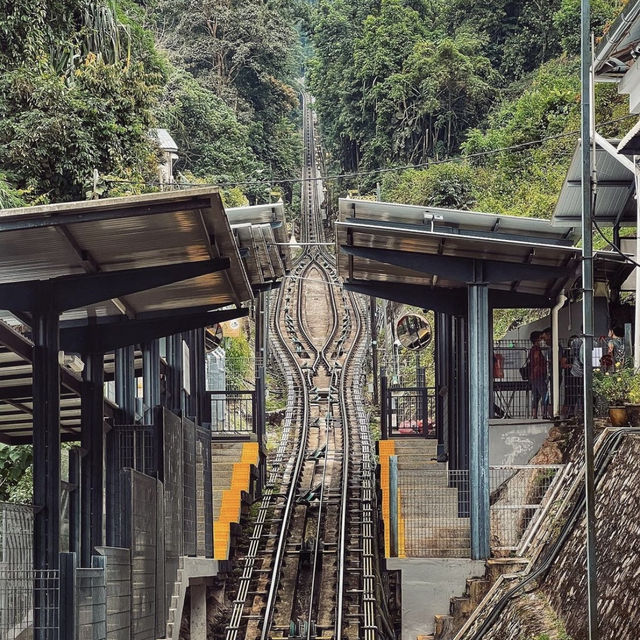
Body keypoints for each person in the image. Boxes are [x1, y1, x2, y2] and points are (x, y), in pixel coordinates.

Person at [528, 331, 548, 419]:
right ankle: (544, 414)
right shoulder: (536, 349)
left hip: (533, 376)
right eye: (540, 338)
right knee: (545, 394)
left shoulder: (532, 349)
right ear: (537, 340)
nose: (542, 340)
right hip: (539, 375)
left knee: (535, 396)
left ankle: (534, 415)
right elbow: (536, 360)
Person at [568, 334, 584, 418]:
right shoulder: (593, 342)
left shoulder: (575, 342)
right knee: (583, 394)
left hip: (575, 371)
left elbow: (571, 353)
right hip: (586, 372)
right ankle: (583, 412)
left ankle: (572, 413)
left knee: (573, 394)